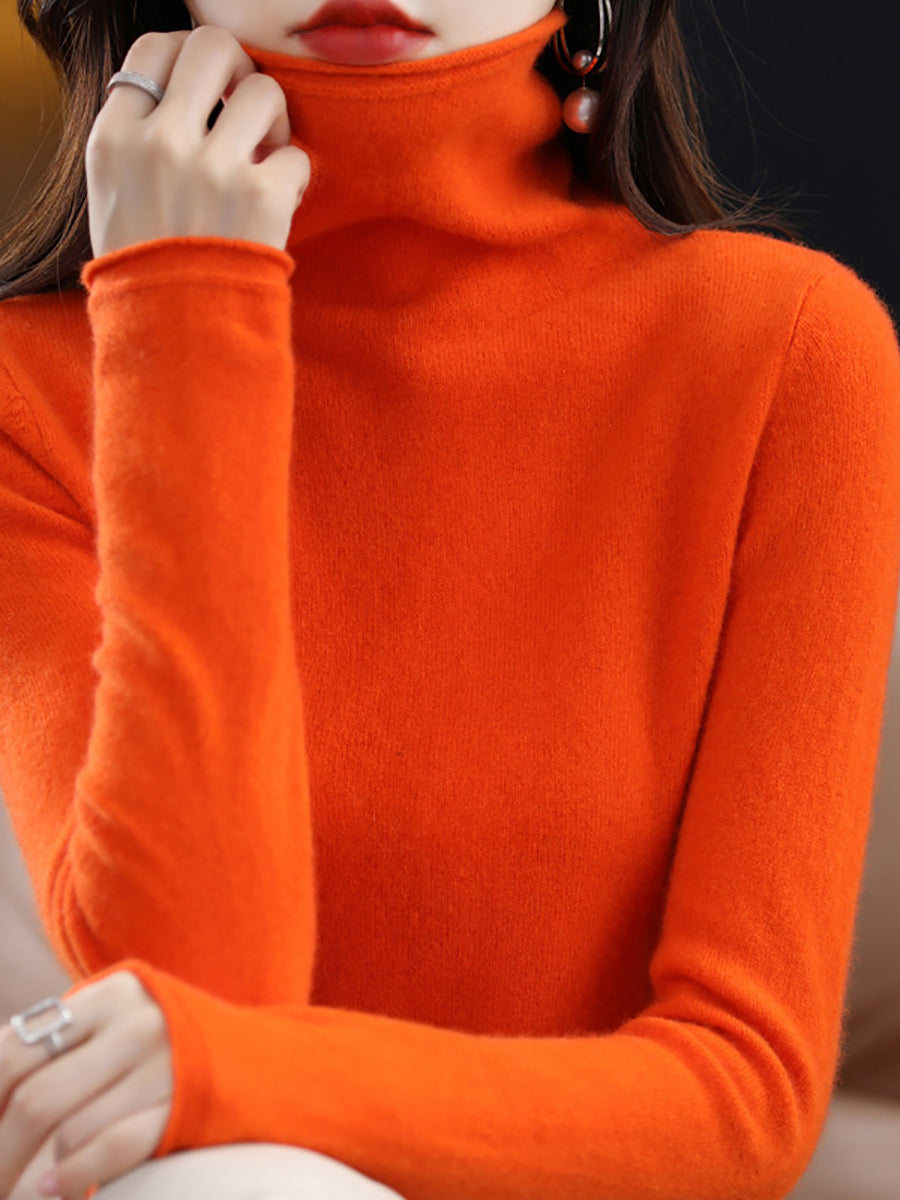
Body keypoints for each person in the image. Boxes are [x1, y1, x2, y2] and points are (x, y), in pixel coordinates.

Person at [1, 0, 899, 1196]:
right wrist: (184, 307)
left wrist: (252, 1078)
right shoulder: (28, 400)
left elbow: (747, 1094)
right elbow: (199, 1008)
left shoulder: (788, 353)